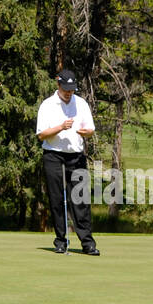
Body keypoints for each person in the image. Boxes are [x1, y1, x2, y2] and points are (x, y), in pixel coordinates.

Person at [36, 69, 100, 256]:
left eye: (71, 89)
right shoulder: (47, 105)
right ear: (58, 85)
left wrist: (85, 133)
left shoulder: (81, 104)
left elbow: (90, 130)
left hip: (76, 156)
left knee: (80, 200)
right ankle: (61, 241)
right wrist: (60, 127)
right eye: (65, 88)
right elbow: (41, 135)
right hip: (53, 155)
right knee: (57, 200)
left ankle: (87, 243)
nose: (68, 92)